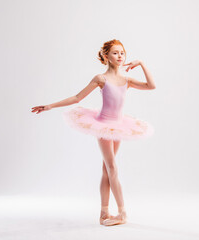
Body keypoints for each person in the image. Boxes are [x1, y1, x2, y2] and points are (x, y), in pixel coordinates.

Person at [31, 39, 156, 226]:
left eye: (122, 53)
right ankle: (122, 213)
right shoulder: (101, 79)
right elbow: (77, 97)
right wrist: (50, 106)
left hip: (119, 126)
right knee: (112, 168)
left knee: (107, 170)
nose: (120, 56)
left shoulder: (126, 80)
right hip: (103, 125)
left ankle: (103, 213)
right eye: (115, 53)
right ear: (106, 56)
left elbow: (151, 86)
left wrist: (142, 64)